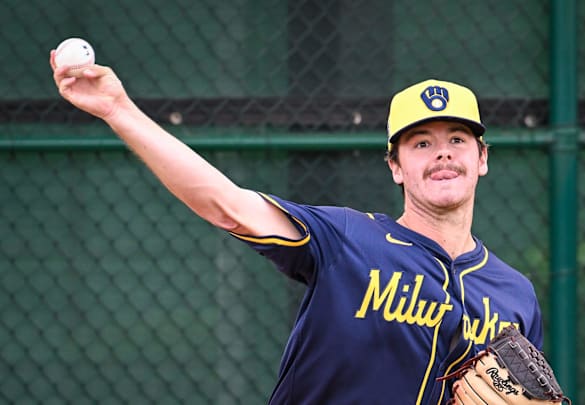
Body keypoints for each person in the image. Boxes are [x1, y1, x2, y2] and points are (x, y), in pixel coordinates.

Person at [51, 52, 544, 404]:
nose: (442, 153)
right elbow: (227, 206)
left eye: (457, 138)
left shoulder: (514, 296)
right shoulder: (349, 241)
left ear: (481, 158)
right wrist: (118, 110)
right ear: (395, 166)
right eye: (420, 143)